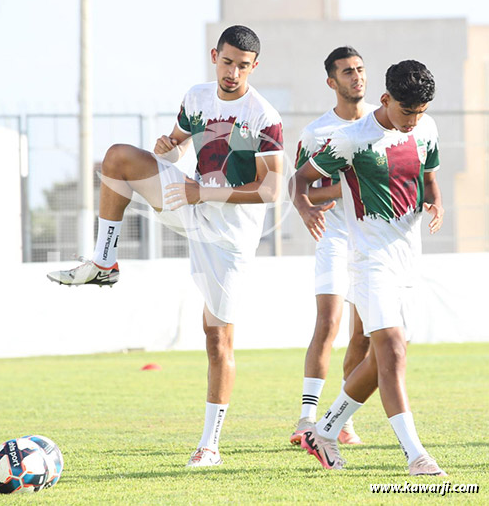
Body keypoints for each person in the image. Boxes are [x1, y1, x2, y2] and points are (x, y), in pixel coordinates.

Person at [47, 25, 284, 467]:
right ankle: (104, 260)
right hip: (189, 200)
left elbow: (271, 191)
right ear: (215, 55)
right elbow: (177, 148)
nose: (233, 72)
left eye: (243, 65)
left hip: (229, 236)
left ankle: (209, 445)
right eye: (227, 61)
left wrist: (204, 193)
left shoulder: (262, 115)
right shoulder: (196, 96)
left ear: (255, 66)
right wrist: (168, 149)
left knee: (217, 339)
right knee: (118, 157)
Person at [289, 60, 446, 476]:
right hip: (369, 262)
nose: (413, 121)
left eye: (421, 111)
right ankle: (416, 456)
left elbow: (429, 177)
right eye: (406, 111)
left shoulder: (426, 129)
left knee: (379, 363)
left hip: (409, 263)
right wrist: (305, 210)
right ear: (386, 99)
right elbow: (299, 180)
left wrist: (436, 201)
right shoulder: (351, 139)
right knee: (391, 351)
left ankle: (323, 431)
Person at [290, 47, 373, 447]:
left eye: (359, 70)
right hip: (335, 236)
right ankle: (306, 419)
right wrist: (308, 209)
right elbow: (301, 184)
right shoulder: (317, 132)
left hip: (374, 240)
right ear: (331, 82)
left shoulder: (382, 122)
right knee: (328, 322)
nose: (356, 77)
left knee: (366, 336)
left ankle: (342, 420)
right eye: (346, 72)